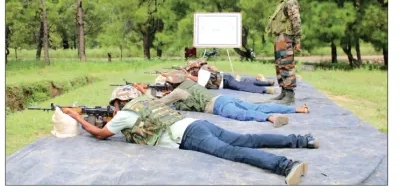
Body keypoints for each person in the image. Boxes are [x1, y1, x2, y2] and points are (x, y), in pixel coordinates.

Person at [64, 85, 319, 185]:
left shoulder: (125, 114)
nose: (115, 109)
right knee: (247, 139)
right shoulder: (146, 102)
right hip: (197, 124)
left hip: (188, 136)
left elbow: (100, 134)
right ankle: (302, 140)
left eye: (115, 104)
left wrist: (75, 116)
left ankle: (285, 165)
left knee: (233, 153)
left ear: (119, 102)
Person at [146, 71, 310, 128]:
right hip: (223, 98)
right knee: (259, 106)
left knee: (244, 114)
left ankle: (272, 118)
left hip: (217, 105)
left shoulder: (177, 93)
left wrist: (144, 91)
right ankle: (299, 109)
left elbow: (158, 103)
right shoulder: (188, 83)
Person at [266, 0, 302, 104]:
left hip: (286, 37)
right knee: (280, 65)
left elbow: (296, 21)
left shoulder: (291, 2)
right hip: (280, 37)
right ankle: (284, 92)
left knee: (286, 65)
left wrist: (298, 39)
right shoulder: (283, 2)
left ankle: (290, 95)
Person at [183, 59, 276, 94]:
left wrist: (189, 73)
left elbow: (199, 77)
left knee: (242, 86)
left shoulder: (202, 71)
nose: (194, 70)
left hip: (225, 79)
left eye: (194, 67)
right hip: (225, 82)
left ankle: (265, 90)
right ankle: (267, 82)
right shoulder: (195, 75)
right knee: (244, 82)